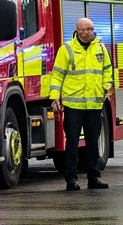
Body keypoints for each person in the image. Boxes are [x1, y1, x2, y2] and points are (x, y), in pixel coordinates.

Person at [48, 17, 114, 190]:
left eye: (90, 29)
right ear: (77, 31)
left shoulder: (100, 48)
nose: (87, 33)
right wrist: (55, 96)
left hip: (94, 104)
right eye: (83, 30)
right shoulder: (67, 50)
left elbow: (107, 70)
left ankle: (94, 177)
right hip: (73, 105)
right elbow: (57, 75)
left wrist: (107, 86)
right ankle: (71, 178)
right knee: (72, 143)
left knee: (93, 143)